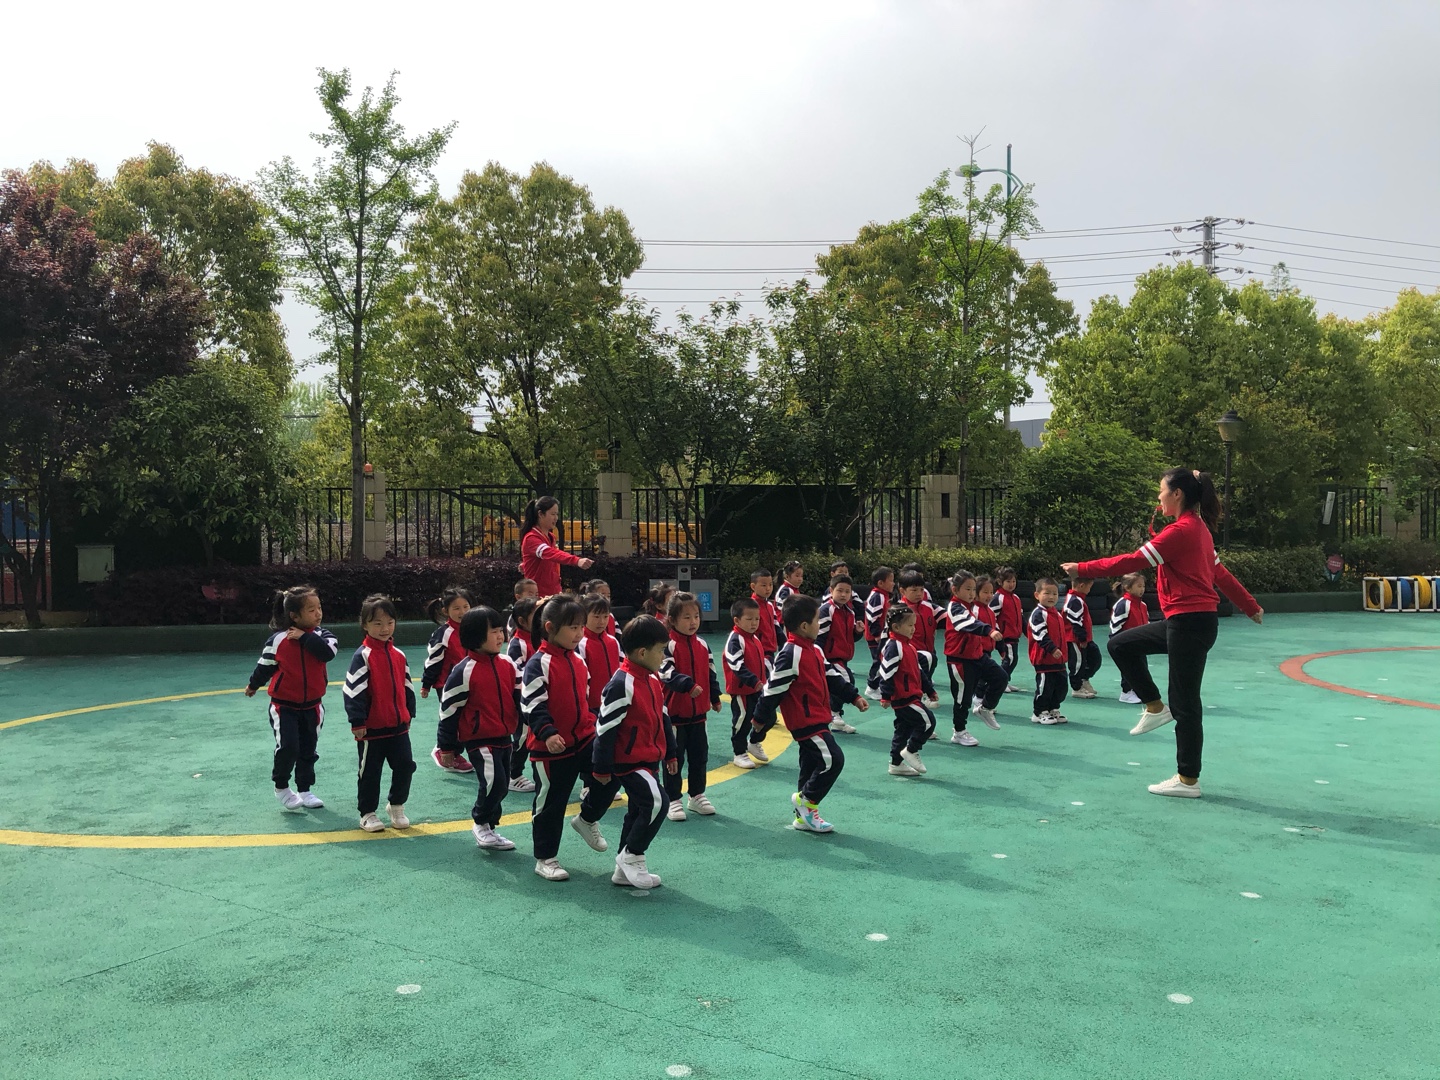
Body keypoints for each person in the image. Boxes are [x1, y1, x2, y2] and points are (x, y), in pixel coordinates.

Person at [1065, 468, 1262, 799]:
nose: (1159, 496)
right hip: (1186, 623)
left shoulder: (1182, 532)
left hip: (1190, 623)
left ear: (1177, 494)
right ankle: (1155, 707)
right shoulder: (1198, 530)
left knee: (1186, 703)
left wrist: (1081, 568)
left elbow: (1130, 561)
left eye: (1162, 490)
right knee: (1120, 645)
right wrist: (1250, 606)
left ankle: (1188, 779)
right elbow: (1221, 574)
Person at [571, 615, 679, 889]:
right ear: (642, 653)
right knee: (658, 803)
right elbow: (605, 728)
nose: (663, 657)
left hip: (649, 759)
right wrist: (601, 768)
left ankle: (623, 870)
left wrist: (671, 752)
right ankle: (632, 856)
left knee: (638, 810)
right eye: (661, 650)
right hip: (629, 762)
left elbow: (663, 718)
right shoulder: (621, 683)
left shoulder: (652, 679)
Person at [755, 594, 869, 833]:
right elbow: (772, 690)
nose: (820, 624)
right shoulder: (790, 654)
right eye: (818, 620)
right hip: (805, 721)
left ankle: (802, 817)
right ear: (804, 626)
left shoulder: (815, 649)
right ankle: (806, 801)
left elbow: (832, 677)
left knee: (810, 766)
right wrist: (759, 719)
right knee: (833, 759)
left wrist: (854, 696)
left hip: (819, 716)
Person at [520, 595, 598, 881]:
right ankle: (545, 858)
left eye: (581, 627)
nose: (579, 633)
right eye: (573, 627)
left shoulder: (578, 660)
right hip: (550, 749)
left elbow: (584, 699)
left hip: (584, 738)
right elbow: (532, 705)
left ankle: (587, 819)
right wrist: (548, 733)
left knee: (610, 771)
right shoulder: (538, 663)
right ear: (550, 627)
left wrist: (593, 725)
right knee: (551, 803)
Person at [246, 585, 339, 812]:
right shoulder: (278, 640)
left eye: (319, 608)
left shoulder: (324, 636)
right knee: (288, 746)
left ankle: (305, 789)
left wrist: (305, 637)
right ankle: (281, 787)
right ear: (294, 616)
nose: (318, 613)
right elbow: (265, 666)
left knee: (308, 749)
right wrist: (253, 685)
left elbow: (327, 653)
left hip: (313, 706)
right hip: (283, 706)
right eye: (311, 610)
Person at [436, 606, 519, 851]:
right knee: (495, 782)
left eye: (501, 630)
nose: (500, 636)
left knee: (502, 784)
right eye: (493, 632)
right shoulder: (464, 671)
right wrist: (447, 747)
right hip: (479, 739)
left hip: (505, 736)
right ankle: (480, 822)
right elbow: (448, 711)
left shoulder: (507, 664)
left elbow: (520, 699)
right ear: (475, 636)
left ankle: (490, 826)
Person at [343, 595, 418, 832]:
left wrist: (409, 713)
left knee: (405, 766)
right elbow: (353, 691)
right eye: (377, 623)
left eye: (389, 622)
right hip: (371, 729)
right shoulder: (362, 656)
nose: (385, 628)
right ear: (365, 625)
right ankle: (367, 813)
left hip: (399, 726)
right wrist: (357, 721)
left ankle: (396, 805)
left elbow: (407, 686)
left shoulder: (399, 655)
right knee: (369, 772)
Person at [660, 591, 722, 821]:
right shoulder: (668, 645)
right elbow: (665, 672)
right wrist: (687, 685)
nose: (693, 621)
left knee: (699, 757)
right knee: (673, 759)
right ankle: (673, 798)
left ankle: (696, 795)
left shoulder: (703, 644)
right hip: (674, 716)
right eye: (686, 617)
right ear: (672, 619)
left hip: (699, 715)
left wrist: (714, 697)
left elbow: (711, 672)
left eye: (696, 616)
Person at [942, 571, 1006, 746]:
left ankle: (985, 708)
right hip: (959, 659)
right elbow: (969, 624)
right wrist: (989, 631)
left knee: (1001, 677)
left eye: (973, 589)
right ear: (955, 590)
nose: (971, 593)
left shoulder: (970, 607)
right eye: (967, 589)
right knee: (963, 699)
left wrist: (1000, 645)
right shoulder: (955, 607)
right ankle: (959, 732)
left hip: (977, 656)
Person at [422, 586, 477, 774]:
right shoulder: (444, 633)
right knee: (452, 719)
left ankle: (454, 751)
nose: (462, 612)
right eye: (456, 608)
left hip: (469, 682)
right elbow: (434, 660)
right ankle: (446, 751)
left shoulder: (473, 629)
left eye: (466, 607)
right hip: (447, 684)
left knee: (467, 718)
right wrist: (427, 683)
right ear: (446, 611)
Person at [879, 604, 938, 776]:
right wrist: (885, 695)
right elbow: (886, 672)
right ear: (896, 627)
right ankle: (911, 750)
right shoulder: (894, 646)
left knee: (903, 731)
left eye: (914, 625)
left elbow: (919, 672)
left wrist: (929, 690)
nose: (914, 629)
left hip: (910, 696)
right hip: (905, 698)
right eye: (910, 625)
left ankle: (895, 763)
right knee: (928, 722)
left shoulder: (909, 647)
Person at [723, 597, 769, 769]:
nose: (754, 623)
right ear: (737, 620)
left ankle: (754, 742)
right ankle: (739, 752)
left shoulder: (754, 639)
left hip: (758, 688)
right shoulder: (735, 639)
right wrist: (753, 681)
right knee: (742, 720)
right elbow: (736, 665)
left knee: (767, 717)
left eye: (757, 619)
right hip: (742, 690)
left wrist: (764, 681)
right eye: (749, 619)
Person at [817, 575, 866, 734]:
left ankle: (834, 716)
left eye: (847, 591)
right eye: (840, 591)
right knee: (846, 681)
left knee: (840, 683)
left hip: (843, 657)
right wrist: (819, 657)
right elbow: (819, 636)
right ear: (831, 591)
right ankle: (833, 713)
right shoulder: (827, 610)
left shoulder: (850, 612)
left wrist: (857, 632)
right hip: (830, 657)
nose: (843, 594)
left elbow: (850, 637)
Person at [520, 496, 594, 598]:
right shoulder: (531, 538)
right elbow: (550, 553)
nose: (556, 518)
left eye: (557, 514)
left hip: (553, 593)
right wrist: (576, 560)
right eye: (553, 514)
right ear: (540, 514)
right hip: (538, 597)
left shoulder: (550, 537)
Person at [505, 597, 540, 794]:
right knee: (522, 737)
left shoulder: (540, 638)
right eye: (536, 616)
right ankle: (513, 774)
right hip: (523, 699)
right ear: (521, 621)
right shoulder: (518, 643)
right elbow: (515, 671)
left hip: (540, 696)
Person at [1027, 578, 1069, 726]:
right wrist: (1052, 649)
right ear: (1037, 595)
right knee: (1045, 686)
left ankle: (1053, 708)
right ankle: (1039, 712)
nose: (1051, 597)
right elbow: (1040, 634)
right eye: (1047, 593)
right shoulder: (1038, 614)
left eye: (1055, 593)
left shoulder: (1057, 614)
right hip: (1044, 659)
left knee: (1061, 686)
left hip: (1059, 659)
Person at [1108, 574, 1151, 703]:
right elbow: (1115, 626)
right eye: (1139, 586)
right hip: (1126, 644)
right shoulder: (1123, 604)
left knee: (1141, 668)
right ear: (1127, 587)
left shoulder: (1143, 605)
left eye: (1143, 586)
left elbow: (1146, 624)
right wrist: (1117, 645)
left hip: (1140, 645)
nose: (1142, 589)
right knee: (1128, 668)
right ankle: (1126, 692)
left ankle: (1137, 691)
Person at [577, 593, 621, 715]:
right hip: (592, 706)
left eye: (606, 616)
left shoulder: (613, 641)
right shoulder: (580, 643)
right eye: (596, 617)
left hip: (614, 702)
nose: (601, 622)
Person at [896, 568, 938, 685]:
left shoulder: (929, 606)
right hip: (909, 652)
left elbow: (947, 616)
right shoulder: (899, 610)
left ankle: (924, 686)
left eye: (922, 589)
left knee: (931, 660)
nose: (919, 593)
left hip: (929, 650)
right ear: (902, 591)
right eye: (914, 590)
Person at [1063, 578, 1102, 699]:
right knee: (1077, 663)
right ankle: (1077, 688)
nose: (1090, 589)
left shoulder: (1079, 599)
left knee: (1095, 658)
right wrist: (1082, 638)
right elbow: (1075, 621)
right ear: (1081, 585)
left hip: (1085, 638)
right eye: (1089, 586)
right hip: (1075, 639)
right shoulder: (1074, 600)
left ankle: (1084, 679)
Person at [989, 567, 1025, 693]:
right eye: (1008, 581)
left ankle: (1005, 681)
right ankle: (1000, 682)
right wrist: (997, 632)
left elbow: (1021, 617)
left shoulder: (1016, 598)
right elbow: (991, 616)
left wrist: (1027, 632)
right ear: (1000, 582)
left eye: (1013, 581)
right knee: (1010, 659)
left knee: (1012, 659)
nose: (1011, 584)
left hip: (1014, 635)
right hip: (1004, 636)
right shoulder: (998, 598)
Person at [863, 565, 894, 699]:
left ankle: (878, 686)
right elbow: (872, 617)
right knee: (880, 662)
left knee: (883, 660)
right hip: (876, 637)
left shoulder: (883, 595)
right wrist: (876, 634)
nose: (893, 583)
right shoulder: (877, 596)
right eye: (891, 580)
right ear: (881, 583)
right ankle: (871, 687)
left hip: (882, 635)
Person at [749, 568, 780, 666]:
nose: (768, 588)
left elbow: (776, 627)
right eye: (764, 585)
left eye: (770, 585)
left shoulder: (770, 605)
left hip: (771, 651)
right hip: (758, 652)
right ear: (753, 586)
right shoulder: (750, 607)